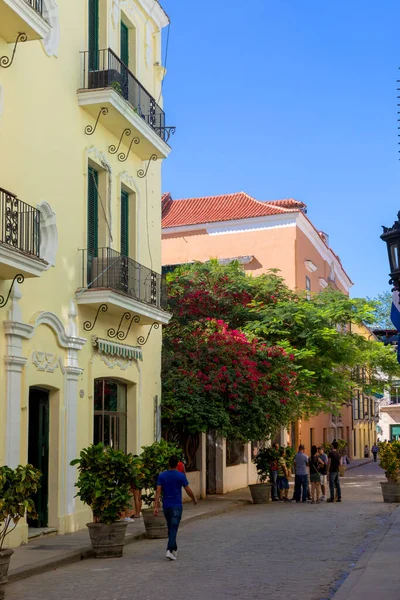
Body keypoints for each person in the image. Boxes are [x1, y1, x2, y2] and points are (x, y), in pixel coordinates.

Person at [154, 455, 197, 560]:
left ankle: (174, 548)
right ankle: (169, 550)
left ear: (168, 463)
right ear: (177, 464)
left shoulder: (162, 476)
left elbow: (158, 491)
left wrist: (155, 506)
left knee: (171, 528)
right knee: (173, 528)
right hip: (176, 506)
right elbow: (187, 489)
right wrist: (194, 498)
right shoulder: (180, 476)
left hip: (166, 506)